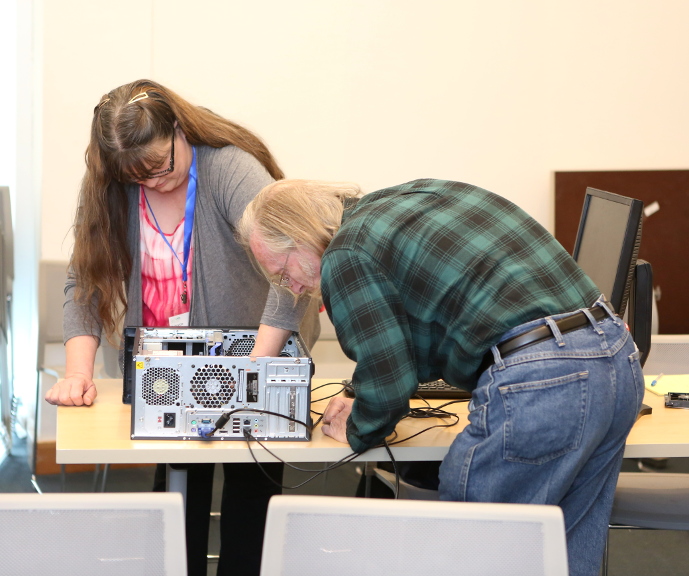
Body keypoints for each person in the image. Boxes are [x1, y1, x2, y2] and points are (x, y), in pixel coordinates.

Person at [238, 177, 644, 576]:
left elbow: (390, 381)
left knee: (471, 546)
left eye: (282, 272)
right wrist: (366, 390)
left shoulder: (345, 254)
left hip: (543, 380)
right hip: (614, 354)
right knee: (565, 551)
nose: (290, 288)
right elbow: (412, 337)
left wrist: (358, 425)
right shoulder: (408, 199)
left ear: (300, 234)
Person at [44, 79, 320, 576]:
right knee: (175, 507)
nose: (153, 184)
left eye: (161, 166)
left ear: (178, 128)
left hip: (254, 354)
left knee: (252, 508)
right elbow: (84, 283)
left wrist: (256, 370)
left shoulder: (231, 168)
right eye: (137, 178)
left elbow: (290, 267)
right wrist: (78, 373)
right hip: (166, 375)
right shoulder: (112, 186)